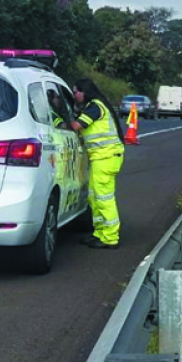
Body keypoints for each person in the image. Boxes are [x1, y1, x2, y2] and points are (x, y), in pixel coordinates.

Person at [70, 78, 125, 249]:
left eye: (75, 92)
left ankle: (110, 237)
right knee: (94, 197)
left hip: (106, 157)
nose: (74, 95)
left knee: (104, 197)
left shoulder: (95, 107)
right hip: (101, 157)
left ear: (84, 91)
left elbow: (76, 126)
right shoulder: (93, 106)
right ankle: (100, 232)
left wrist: (59, 119)